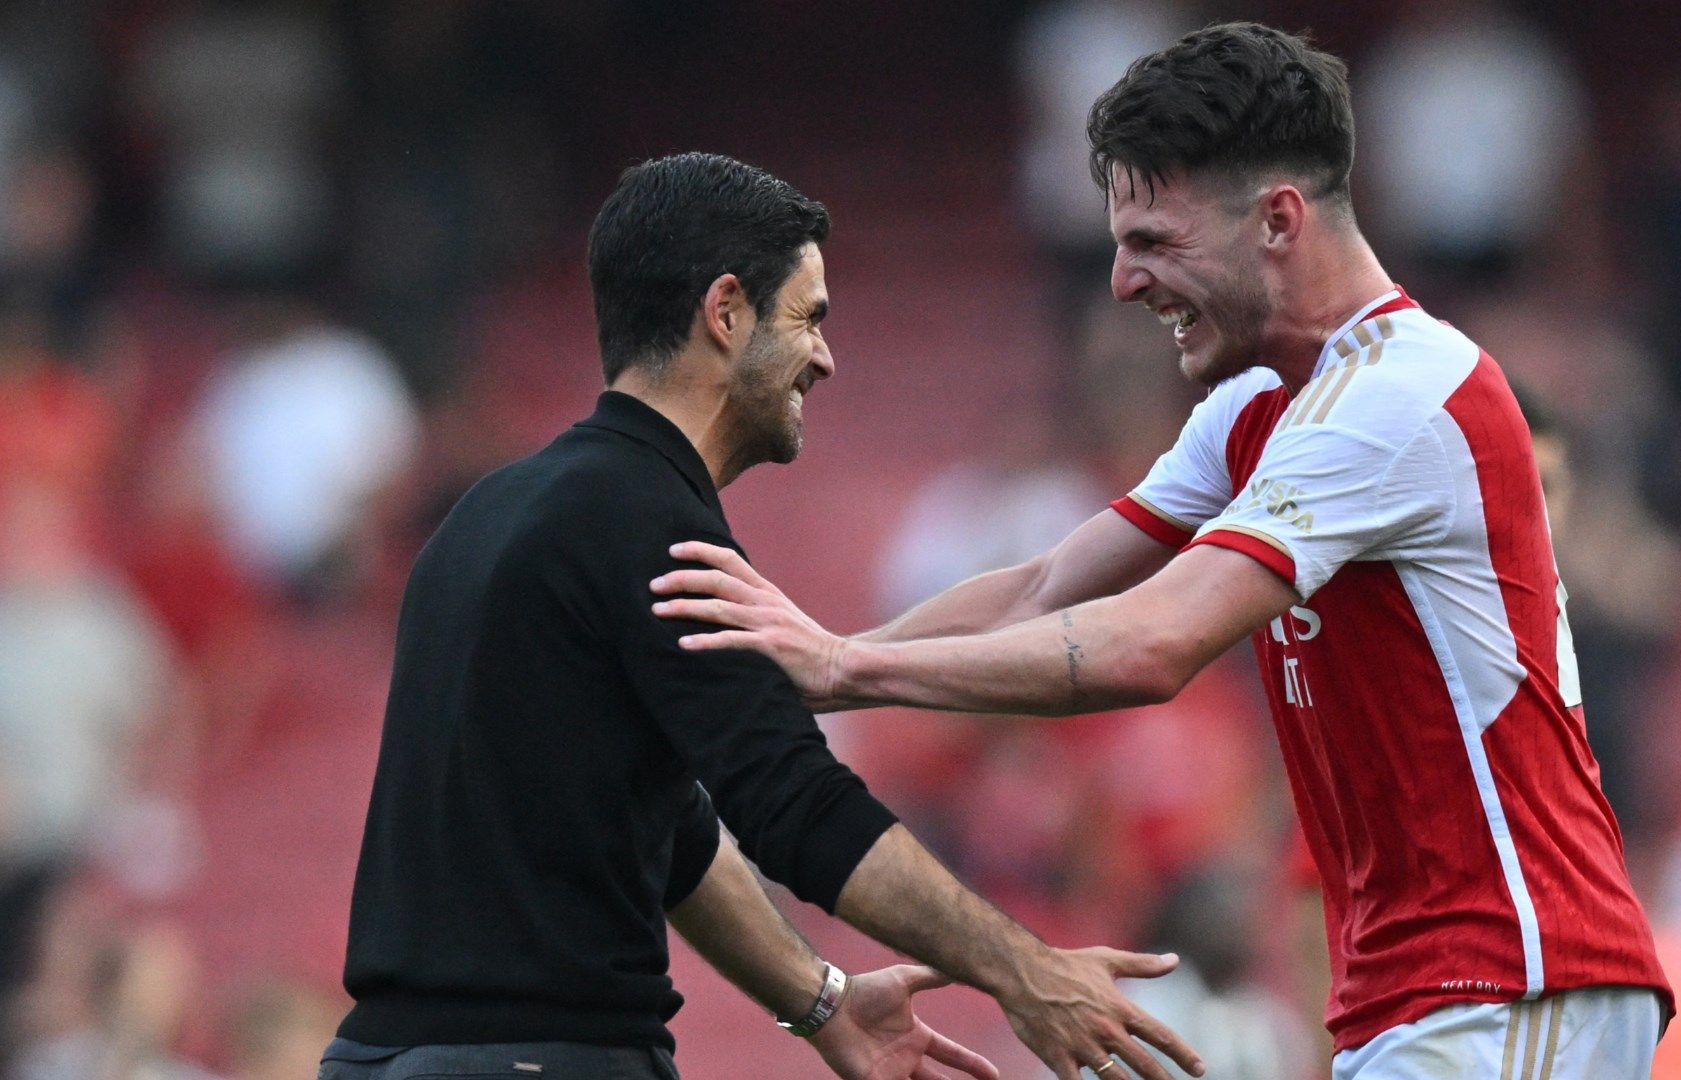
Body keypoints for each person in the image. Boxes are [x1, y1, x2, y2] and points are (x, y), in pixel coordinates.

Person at [652, 24, 1673, 1080]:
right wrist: (813, 674)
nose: (1123, 282)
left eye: (1153, 240)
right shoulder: (1257, 408)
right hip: (1438, 993)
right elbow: (1046, 587)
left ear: (1278, 219)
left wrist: (849, 666)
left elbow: (1151, 645)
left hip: (1513, 977)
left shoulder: (1399, 395)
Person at [325, 154, 1205, 1080]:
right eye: (808, 317)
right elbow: (795, 806)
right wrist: (1027, 972)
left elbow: (667, 825)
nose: (823, 357)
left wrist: (819, 1000)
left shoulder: (491, 514)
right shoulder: (646, 520)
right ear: (727, 311)